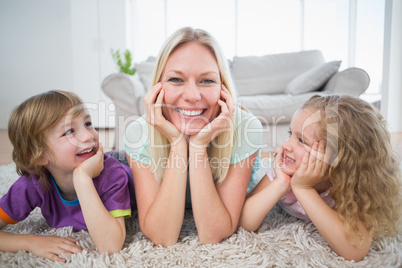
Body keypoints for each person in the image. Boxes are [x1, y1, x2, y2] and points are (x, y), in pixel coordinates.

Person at [123, 27, 262, 246]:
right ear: (158, 87)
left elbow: (213, 233)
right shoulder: (138, 133)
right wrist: (178, 143)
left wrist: (198, 147)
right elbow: (162, 237)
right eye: (176, 80)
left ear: (223, 88)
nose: (192, 96)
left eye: (207, 81)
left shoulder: (246, 128)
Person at [239, 94, 402, 261]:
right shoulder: (283, 169)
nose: (286, 145)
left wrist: (304, 188)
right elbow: (244, 221)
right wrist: (281, 183)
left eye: (302, 141)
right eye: (290, 134)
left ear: (340, 159)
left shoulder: (349, 185)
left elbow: (355, 251)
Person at [0, 90, 135, 262]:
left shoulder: (113, 175)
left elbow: (110, 246)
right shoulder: (32, 184)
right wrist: (30, 242)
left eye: (87, 123)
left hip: (129, 164)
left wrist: (82, 178)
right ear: (40, 156)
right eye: (69, 131)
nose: (88, 136)